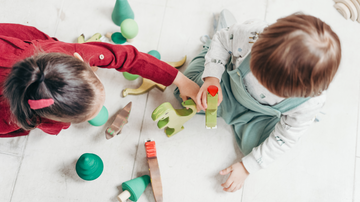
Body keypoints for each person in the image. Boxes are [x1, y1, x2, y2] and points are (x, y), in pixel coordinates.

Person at [174, 10, 341, 192]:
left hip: (262, 114)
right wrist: (212, 78)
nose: (262, 84)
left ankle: (299, 120)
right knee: (183, 91)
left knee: (257, 151)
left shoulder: (311, 101)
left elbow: (285, 137)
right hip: (228, 86)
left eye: (273, 88)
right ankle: (217, 41)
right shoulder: (253, 36)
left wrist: (247, 167)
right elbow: (223, 40)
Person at [0, 23, 200, 137]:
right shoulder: (12, 119)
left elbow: (126, 56)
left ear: (79, 60)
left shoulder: (69, 52)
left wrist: (180, 80)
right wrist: (58, 125)